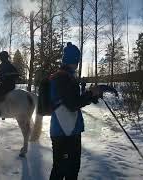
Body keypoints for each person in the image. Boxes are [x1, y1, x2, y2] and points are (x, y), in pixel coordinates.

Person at [49, 42, 100, 180]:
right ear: (73, 60)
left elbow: (72, 101)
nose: (77, 64)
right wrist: (89, 94)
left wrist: (90, 96)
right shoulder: (63, 77)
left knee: (62, 168)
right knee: (66, 170)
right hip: (66, 132)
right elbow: (72, 104)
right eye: (76, 61)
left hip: (63, 129)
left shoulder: (62, 76)